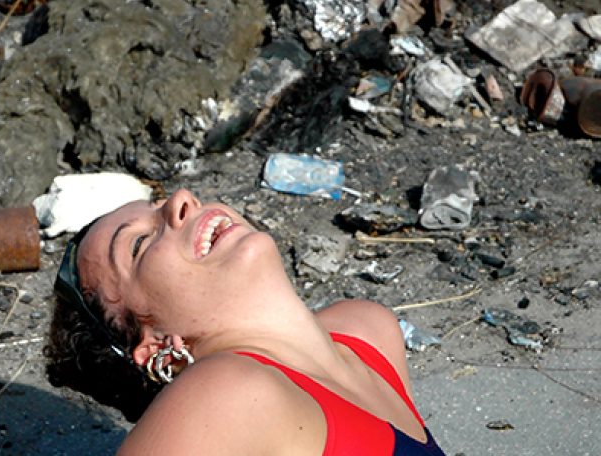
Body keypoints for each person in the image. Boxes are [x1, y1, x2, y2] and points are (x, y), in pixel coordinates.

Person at [46, 189, 446, 455]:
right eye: (138, 244)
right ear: (158, 349)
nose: (181, 200)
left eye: (157, 203)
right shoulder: (224, 391)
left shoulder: (366, 330)